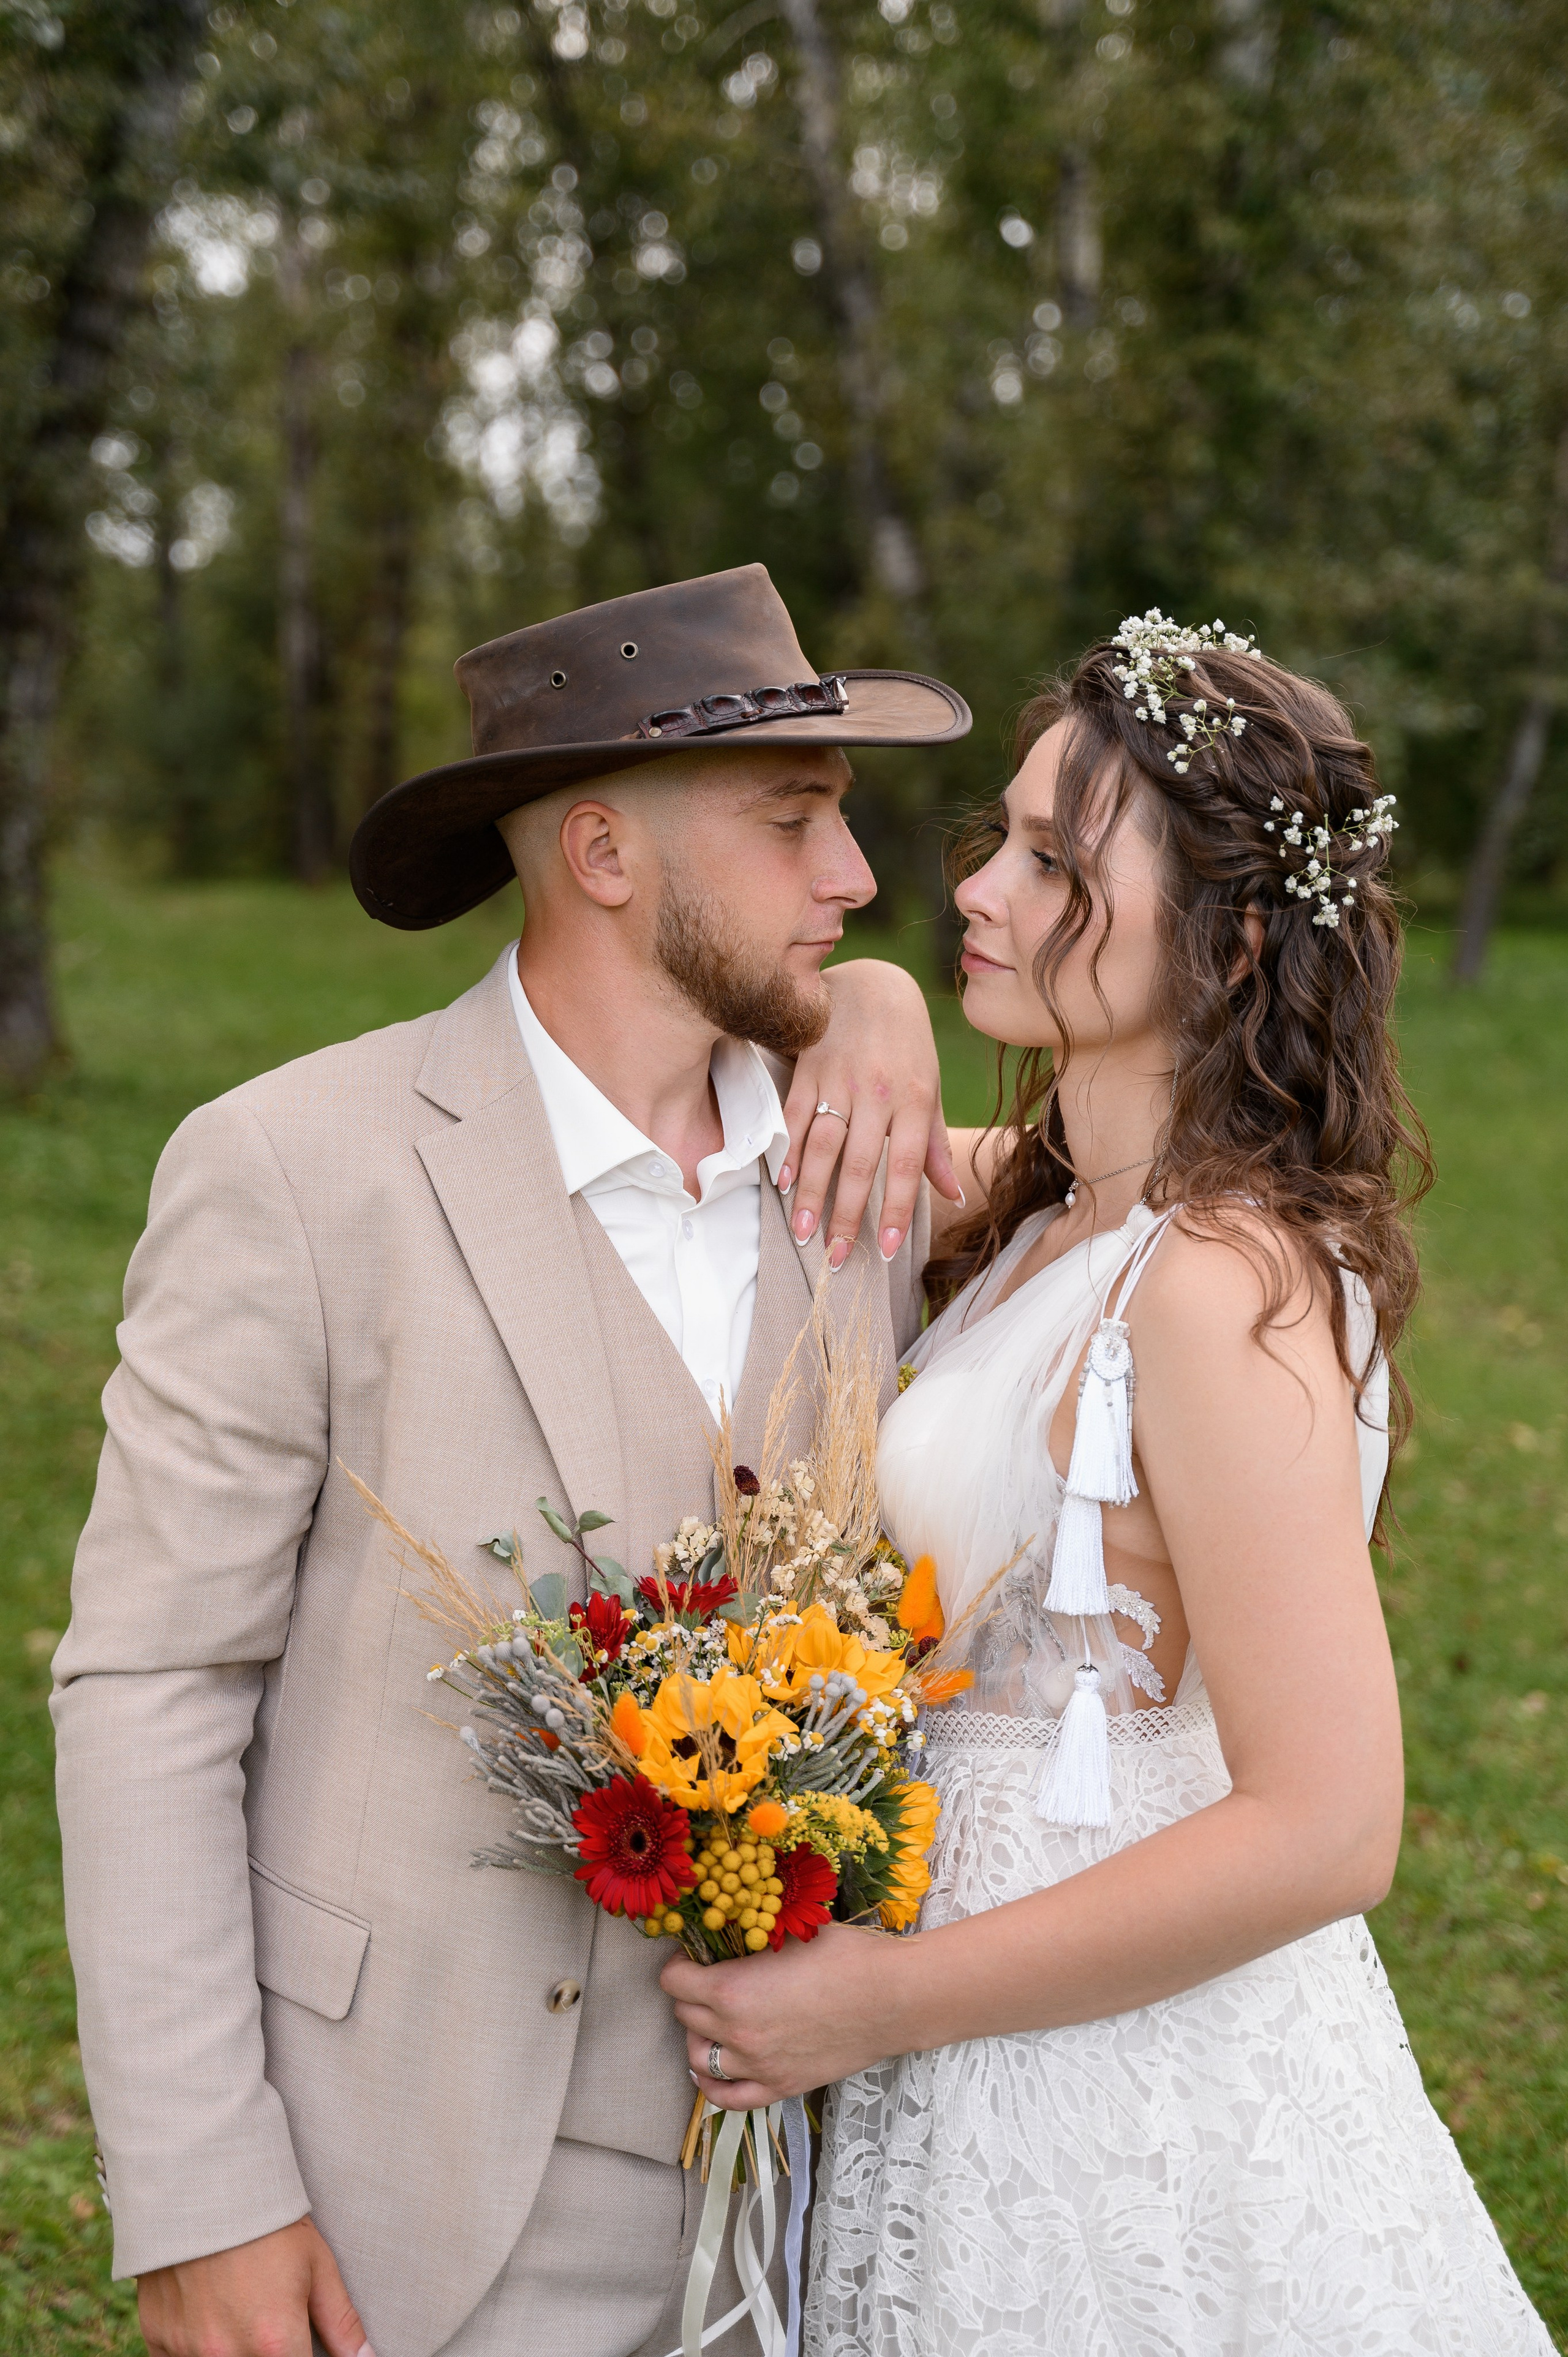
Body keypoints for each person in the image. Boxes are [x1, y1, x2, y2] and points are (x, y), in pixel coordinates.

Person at [51, 564, 974, 2357]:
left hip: (808, 2200)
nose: (859, 881)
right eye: (795, 822)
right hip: (408, 2184)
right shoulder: (296, 1171)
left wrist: (878, 1002)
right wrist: (202, 2190)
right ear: (604, 855)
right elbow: (155, 1686)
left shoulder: (864, 1160)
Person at [665, 614, 1555, 2351]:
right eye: (997, 840)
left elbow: (1332, 1825)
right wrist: (873, 999)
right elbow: (802, 1108)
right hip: (961, 2030)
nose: (977, 891)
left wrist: (884, 2004)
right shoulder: (1055, 1208)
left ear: (1232, 942)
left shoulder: (1218, 1286)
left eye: (1054, 865)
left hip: (1112, 2062)